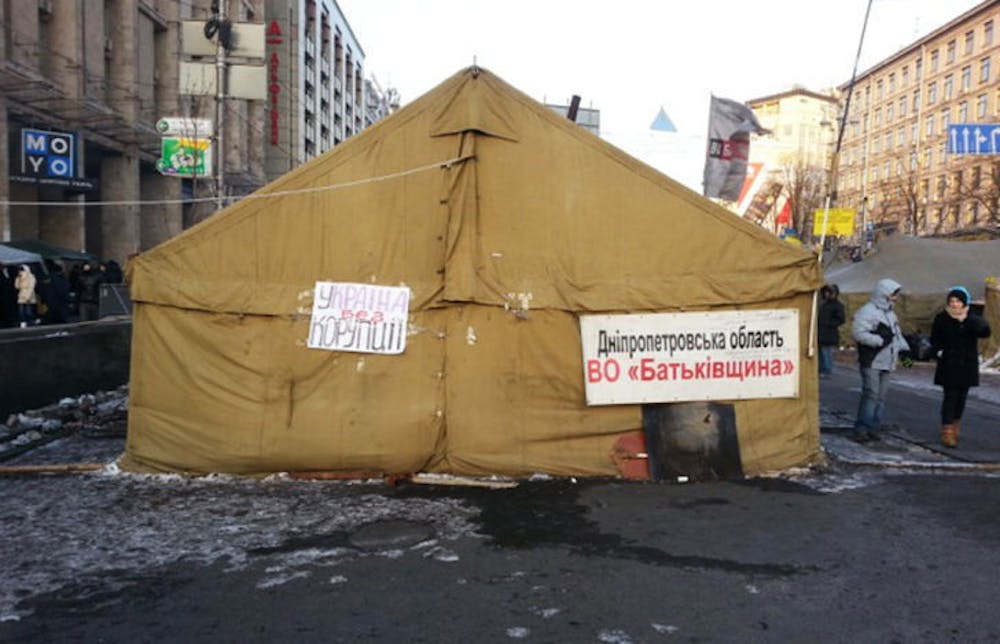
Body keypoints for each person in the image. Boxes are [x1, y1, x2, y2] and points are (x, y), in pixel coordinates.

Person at [930, 286, 991, 448]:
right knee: (950, 397)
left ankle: (956, 426)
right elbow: (934, 339)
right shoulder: (942, 318)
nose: (955, 304)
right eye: (952, 301)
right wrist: (940, 352)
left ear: (964, 302)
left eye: (958, 301)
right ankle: (947, 430)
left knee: (961, 398)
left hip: (967, 364)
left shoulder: (971, 318)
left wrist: (972, 319)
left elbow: (985, 332)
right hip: (949, 364)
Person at [850, 278, 910, 443]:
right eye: (893, 294)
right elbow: (858, 333)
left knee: (881, 397)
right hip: (872, 360)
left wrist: (904, 352)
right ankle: (862, 428)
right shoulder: (867, 312)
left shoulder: (890, 313)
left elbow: (896, 335)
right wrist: (879, 340)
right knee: (871, 394)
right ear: (885, 294)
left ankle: (873, 427)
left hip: (887, 360)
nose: (896, 298)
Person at [817, 284, 846, 378]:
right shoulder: (823, 304)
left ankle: (827, 370)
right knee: (821, 352)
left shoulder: (837, 305)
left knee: (826, 352)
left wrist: (829, 324)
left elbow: (841, 319)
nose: (827, 294)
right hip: (821, 331)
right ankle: (821, 369)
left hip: (829, 332)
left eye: (829, 292)